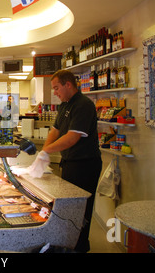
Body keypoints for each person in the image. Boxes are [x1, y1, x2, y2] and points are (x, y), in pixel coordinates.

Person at [41, 70, 101, 253]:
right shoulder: (64, 106)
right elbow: (55, 131)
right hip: (69, 162)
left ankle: (80, 246)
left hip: (85, 164)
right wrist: (44, 151)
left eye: (57, 88)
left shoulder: (84, 105)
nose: (55, 92)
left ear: (68, 85)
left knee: (80, 209)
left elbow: (72, 137)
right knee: (68, 207)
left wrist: (46, 151)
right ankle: (68, 242)